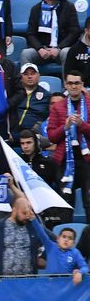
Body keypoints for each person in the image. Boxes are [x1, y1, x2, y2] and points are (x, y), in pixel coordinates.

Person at [46, 69, 90, 203]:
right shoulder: (57, 107)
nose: (74, 86)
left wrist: (82, 125)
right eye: (70, 83)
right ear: (65, 85)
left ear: (82, 84)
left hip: (87, 160)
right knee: (65, 202)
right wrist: (64, 128)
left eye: (77, 83)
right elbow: (51, 137)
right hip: (64, 160)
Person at [0, 195, 47, 275]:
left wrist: (43, 258)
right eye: (24, 213)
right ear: (14, 210)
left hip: (28, 280)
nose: (27, 216)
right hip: (2, 280)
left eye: (28, 212)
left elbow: (51, 240)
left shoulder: (33, 226)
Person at [23, 0, 79, 71]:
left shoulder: (69, 7)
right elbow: (30, 33)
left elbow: (74, 31)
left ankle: (68, 85)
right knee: (26, 54)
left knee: (67, 52)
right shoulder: (36, 9)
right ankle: (25, 86)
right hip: (42, 51)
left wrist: (59, 48)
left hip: (61, 50)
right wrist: (40, 48)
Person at [11, 63, 53, 141]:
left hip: (34, 135)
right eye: (26, 74)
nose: (29, 76)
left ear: (38, 75)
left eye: (33, 74)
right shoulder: (13, 93)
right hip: (13, 133)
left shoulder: (47, 96)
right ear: (20, 77)